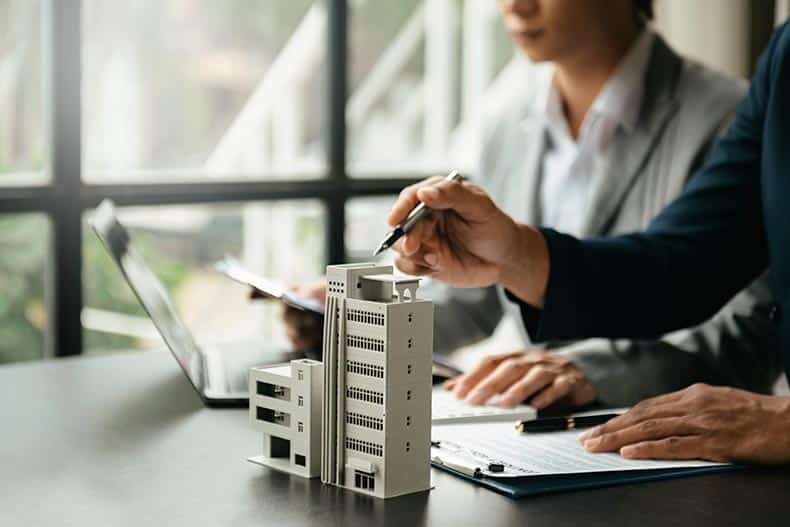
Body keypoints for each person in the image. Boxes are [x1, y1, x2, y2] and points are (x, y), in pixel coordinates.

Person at [284, 0, 780, 411]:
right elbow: (482, 293)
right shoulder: (509, 123)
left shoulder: (730, 115)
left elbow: (742, 329)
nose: (515, 6)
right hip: (522, 435)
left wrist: (597, 371)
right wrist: (365, 321)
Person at [387, 20, 790, 464]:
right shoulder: (785, 55)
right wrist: (516, 253)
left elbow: (745, 327)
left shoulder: (719, 107)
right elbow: (687, 263)